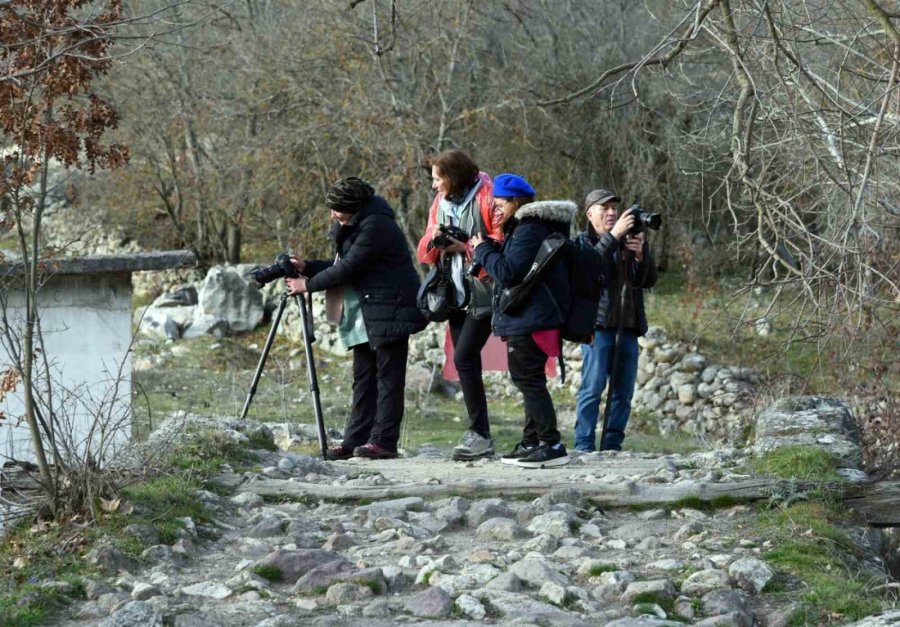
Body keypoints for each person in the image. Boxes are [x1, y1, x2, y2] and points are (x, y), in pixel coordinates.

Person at [286, 177, 426, 460]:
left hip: (390, 308)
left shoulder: (376, 226)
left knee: (388, 379)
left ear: (351, 206)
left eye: (336, 209)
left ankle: (383, 442)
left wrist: (307, 285)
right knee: (363, 378)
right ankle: (355, 440)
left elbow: (350, 267)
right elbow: (342, 264)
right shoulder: (357, 223)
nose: (332, 215)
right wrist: (308, 267)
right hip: (368, 310)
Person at [471, 173, 575, 468]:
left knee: (528, 380)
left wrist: (482, 250)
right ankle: (532, 441)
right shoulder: (531, 228)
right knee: (530, 379)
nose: (495, 209)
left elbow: (509, 273)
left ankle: (551, 444)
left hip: (531, 318)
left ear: (516, 201)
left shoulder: (528, 230)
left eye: (500, 203)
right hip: (535, 317)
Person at [416, 149, 505, 461]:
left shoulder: (489, 197)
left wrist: (464, 246)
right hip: (455, 294)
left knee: (465, 357)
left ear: (453, 178)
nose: (433, 185)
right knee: (465, 361)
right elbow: (425, 251)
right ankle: (479, 434)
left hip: (484, 293)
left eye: (437, 179)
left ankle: (480, 434)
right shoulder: (440, 203)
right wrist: (437, 239)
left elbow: (500, 243)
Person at [573, 188, 657, 452]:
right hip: (598, 327)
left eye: (614, 208)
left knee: (623, 393)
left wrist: (641, 256)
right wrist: (613, 236)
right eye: (604, 208)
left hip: (629, 326)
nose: (611, 213)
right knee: (592, 388)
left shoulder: (629, 240)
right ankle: (584, 445)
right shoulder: (582, 243)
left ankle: (612, 445)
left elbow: (649, 280)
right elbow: (587, 270)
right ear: (590, 213)